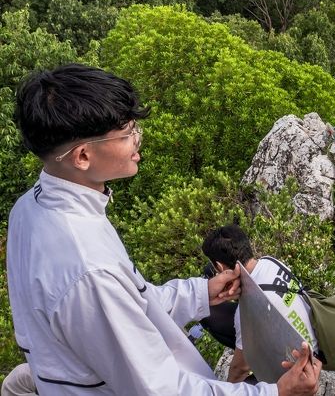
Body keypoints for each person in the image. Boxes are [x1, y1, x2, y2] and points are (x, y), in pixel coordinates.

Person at [6, 63, 319, 395]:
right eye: (128, 134)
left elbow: (131, 300)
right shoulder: (88, 269)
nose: (138, 141)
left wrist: (202, 293)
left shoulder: (30, 208)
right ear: (82, 156)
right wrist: (276, 393)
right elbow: (161, 389)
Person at [202, 225, 317, 384]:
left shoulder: (248, 310)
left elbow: (240, 369)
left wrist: (228, 389)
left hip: (297, 372)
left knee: (211, 316)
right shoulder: (270, 261)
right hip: (311, 346)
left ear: (220, 267)